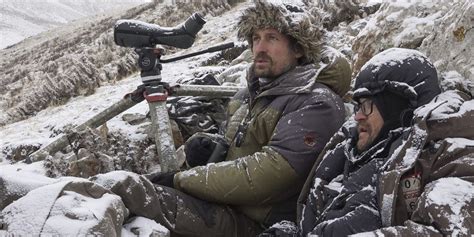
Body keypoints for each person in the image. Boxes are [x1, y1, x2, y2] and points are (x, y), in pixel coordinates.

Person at [0, 1, 351, 236]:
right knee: (123, 189)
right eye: (255, 38)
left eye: (272, 38)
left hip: (251, 222)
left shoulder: (316, 102)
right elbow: (244, 149)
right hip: (224, 203)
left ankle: (23, 210)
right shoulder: (258, 91)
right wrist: (213, 148)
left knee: (125, 186)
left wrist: (183, 178)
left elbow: (269, 176)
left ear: (300, 48)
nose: (258, 47)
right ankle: (22, 206)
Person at [261, 48, 474, 236]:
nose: (358, 117)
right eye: (358, 106)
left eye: (368, 105)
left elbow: (445, 230)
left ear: (398, 108)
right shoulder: (347, 152)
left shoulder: (451, 154)